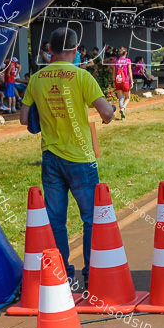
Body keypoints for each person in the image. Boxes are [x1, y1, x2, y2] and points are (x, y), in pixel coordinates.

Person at [21, 27, 115, 289]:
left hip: (50, 158)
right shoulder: (81, 77)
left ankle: (64, 275)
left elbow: (24, 118)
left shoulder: (37, 78)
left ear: (50, 49)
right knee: (90, 218)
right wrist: (112, 113)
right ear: (75, 51)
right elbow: (106, 112)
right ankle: (92, 273)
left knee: (56, 220)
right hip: (81, 159)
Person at [113, 47, 134, 120]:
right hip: (125, 81)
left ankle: (122, 115)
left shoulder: (116, 61)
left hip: (118, 81)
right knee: (127, 97)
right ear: (125, 53)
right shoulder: (127, 61)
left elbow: (114, 72)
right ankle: (123, 108)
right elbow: (130, 71)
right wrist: (132, 81)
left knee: (121, 97)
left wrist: (113, 81)